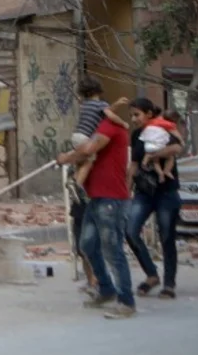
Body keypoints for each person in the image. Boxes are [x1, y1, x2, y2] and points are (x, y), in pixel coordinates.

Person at [56, 102, 136, 319]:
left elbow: (89, 149)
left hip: (111, 199)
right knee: (87, 245)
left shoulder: (109, 127)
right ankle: (107, 288)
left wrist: (66, 158)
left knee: (113, 250)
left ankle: (126, 301)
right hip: (96, 198)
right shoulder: (105, 128)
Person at [125, 98, 184, 300]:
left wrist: (153, 155)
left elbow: (177, 148)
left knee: (166, 236)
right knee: (131, 231)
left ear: (149, 113)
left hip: (166, 191)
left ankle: (169, 283)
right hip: (143, 193)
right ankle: (151, 275)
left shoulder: (162, 127)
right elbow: (133, 165)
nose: (134, 119)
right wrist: (126, 190)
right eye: (132, 115)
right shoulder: (136, 135)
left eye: (137, 115)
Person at [69, 79, 130, 189]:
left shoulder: (85, 104)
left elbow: (106, 111)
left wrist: (116, 104)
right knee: (89, 161)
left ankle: (74, 179)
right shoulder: (100, 104)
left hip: (76, 136)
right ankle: (77, 185)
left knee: (81, 162)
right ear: (99, 91)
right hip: (86, 137)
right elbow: (110, 115)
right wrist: (123, 123)